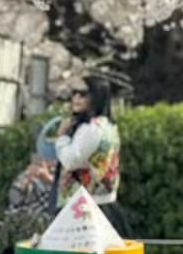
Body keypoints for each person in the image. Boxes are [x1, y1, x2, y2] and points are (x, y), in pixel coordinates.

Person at [51, 76, 128, 236]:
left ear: (96, 96)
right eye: (74, 93)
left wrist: (61, 137)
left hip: (83, 207)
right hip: (104, 201)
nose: (76, 98)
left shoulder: (91, 129)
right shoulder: (109, 126)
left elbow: (71, 160)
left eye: (83, 94)